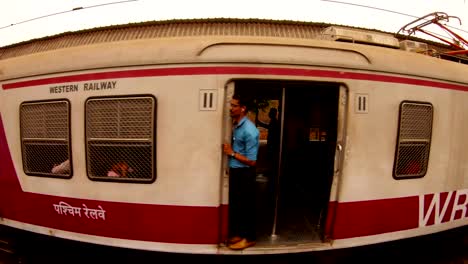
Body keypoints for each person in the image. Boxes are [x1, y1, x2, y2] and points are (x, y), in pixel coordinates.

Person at [222, 94, 260, 250]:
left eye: (234, 106)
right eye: (231, 105)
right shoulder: (237, 124)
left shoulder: (250, 131)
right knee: (237, 206)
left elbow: (252, 161)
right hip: (237, 172)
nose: (231, 108)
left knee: (246, 207)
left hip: (245, 173)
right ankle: (240, 234)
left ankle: (250, 238)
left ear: (243, 108)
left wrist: (231, 153)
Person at [255, 107, 280, 178]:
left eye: (270, 112)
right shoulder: (273, 121)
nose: (269, 114)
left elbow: (268, 127)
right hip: (271, 144)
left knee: (271, 159)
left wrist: (259, 122)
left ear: (273, 114)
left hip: (272, 145)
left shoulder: (275, 122)